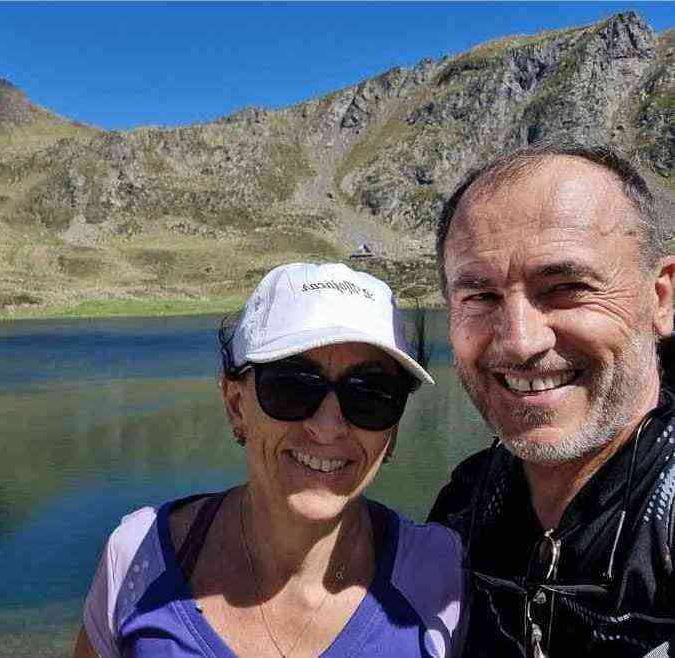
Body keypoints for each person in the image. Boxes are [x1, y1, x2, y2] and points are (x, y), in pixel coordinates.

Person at [73, 261, 465, 658]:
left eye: (370, 395)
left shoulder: (441, 575)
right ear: (236, 404)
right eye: (292, 388)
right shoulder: (139, 558)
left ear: (392, 429)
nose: (328, 427)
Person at [427, 142, 675, 658]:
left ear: (661, 299)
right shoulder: (463, 506)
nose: (520, 341)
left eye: (566, 287)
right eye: (480, 296)